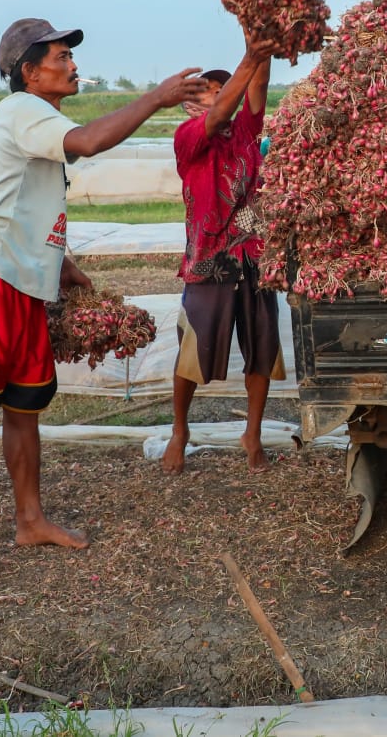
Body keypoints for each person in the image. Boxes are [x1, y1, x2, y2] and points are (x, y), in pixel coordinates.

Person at [0, 18, 209, 582]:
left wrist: (66, 268)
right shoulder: (20, 111)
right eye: (62, 56)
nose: (74, 65)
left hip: (27, 285)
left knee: (25, 409)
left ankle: (30, 520)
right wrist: (157, 97)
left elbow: (28, 206)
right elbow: (89, 142)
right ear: (29, 72)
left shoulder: (40, 120)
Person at [162, 37, 283, 475]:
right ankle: (180, 430)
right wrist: (247, 61)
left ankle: (251, 435)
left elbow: (260, 84)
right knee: (193, 351)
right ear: (192, 102)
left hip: (252, 256)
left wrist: (264, 45)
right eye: (209, 87)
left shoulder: (247, 133)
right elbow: (218, 115)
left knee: (262, 350)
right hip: (209, 259)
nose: (218, 90)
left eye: (222, 85)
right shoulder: (189, 137)